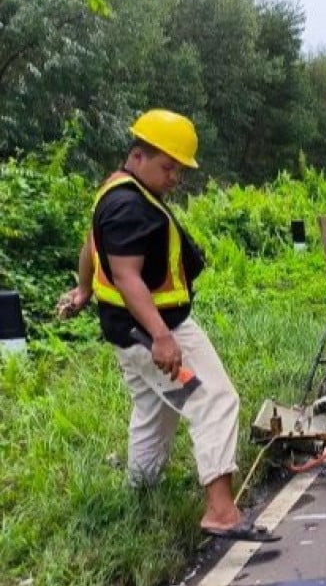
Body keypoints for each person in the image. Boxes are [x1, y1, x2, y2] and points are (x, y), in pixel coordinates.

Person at [58, 109, 279, 543]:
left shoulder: (115, 189)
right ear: (138, 155)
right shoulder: (129, 207)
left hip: (128, 333)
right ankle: (220, 511)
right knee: (213, 399)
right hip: (154, 334)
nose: (175, 176)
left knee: (154, 410)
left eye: (179, 168)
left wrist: (83, 289)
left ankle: (140, 494)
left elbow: (91, 244)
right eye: (168, 166)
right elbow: (126, 275)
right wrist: (161, 337)